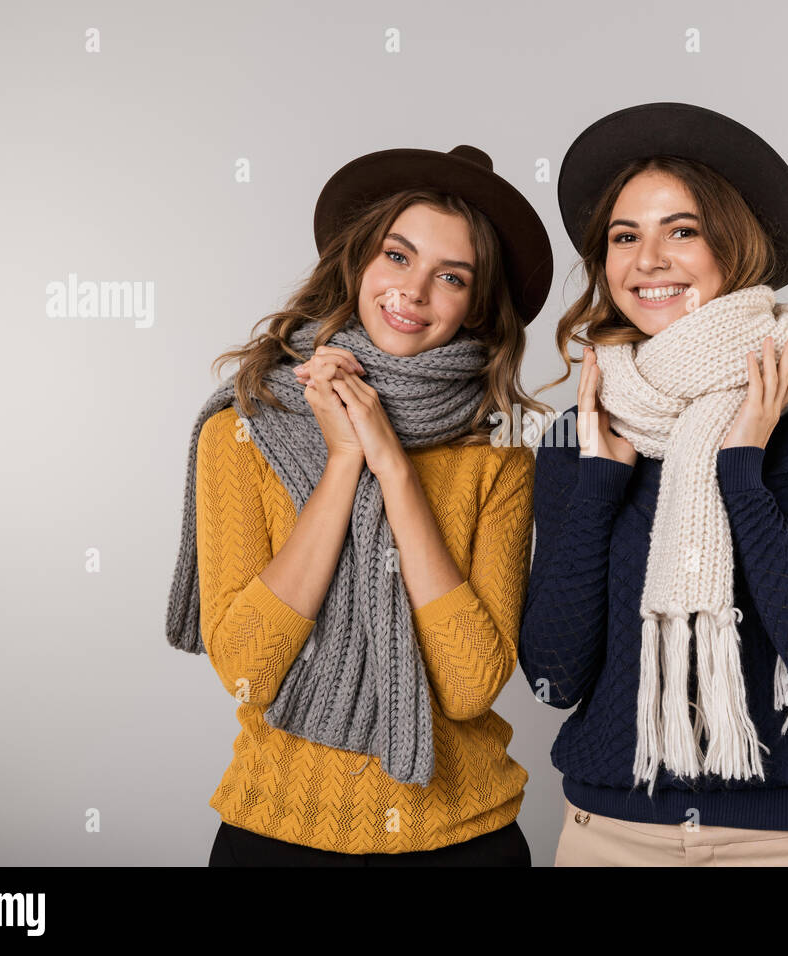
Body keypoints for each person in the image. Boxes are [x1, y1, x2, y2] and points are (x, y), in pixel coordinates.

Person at [519, 102, 788, 866]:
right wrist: (596, 487)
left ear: (734, 245)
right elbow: (553, 676)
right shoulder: (583, 431)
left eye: (681, 230)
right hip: (606, 839)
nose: (648, 258)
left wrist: (741, 474)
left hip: (781, 844)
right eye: (626, 236)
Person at [165, 144, 553, 866]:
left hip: (464, 839)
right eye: (397, 256)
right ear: (357, 264)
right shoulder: (243, 429)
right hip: (277, 834)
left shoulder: (497, 459)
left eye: (452, 277)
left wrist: (395, 471)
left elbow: (470, 687)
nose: (415, 290)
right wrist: (344, 461)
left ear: (475, 308)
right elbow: (247, 667)